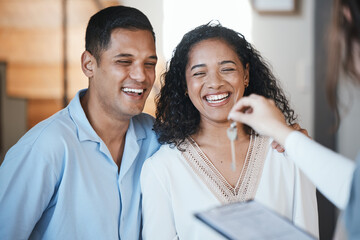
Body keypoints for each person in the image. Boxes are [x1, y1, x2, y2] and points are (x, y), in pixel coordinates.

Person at [140, 22, 319, 239]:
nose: (214, 82)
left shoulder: (287, 153)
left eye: (227, 69)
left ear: (246, 74)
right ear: (185, 86)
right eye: (199, 73)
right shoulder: (161, 168)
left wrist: (295, 144)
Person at [0, 6, 160, 239]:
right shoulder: (46, 146)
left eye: (149, 63)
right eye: (124, 61)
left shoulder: (157, 137)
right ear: (88, 65)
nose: (141, 76)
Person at [228, 0, 359, 239]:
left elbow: (353, 191)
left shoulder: (282, 157)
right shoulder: (163, 164)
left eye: (227, 68)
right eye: (199, 72)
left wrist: (284, 136)